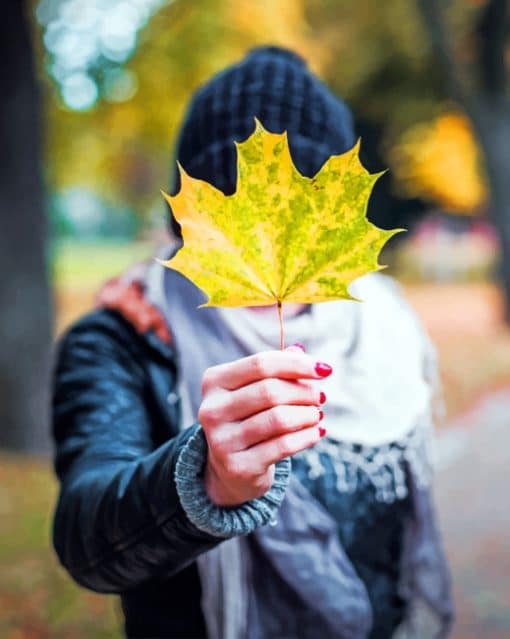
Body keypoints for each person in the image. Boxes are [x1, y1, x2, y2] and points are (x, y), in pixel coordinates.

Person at [52, 47, 453, 639]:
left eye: (296, 218)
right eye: (235, 220)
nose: (267, 242)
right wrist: (203, 483)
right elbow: (88, 541)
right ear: (185, 225)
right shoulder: (125, 339)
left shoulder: (385, 328)